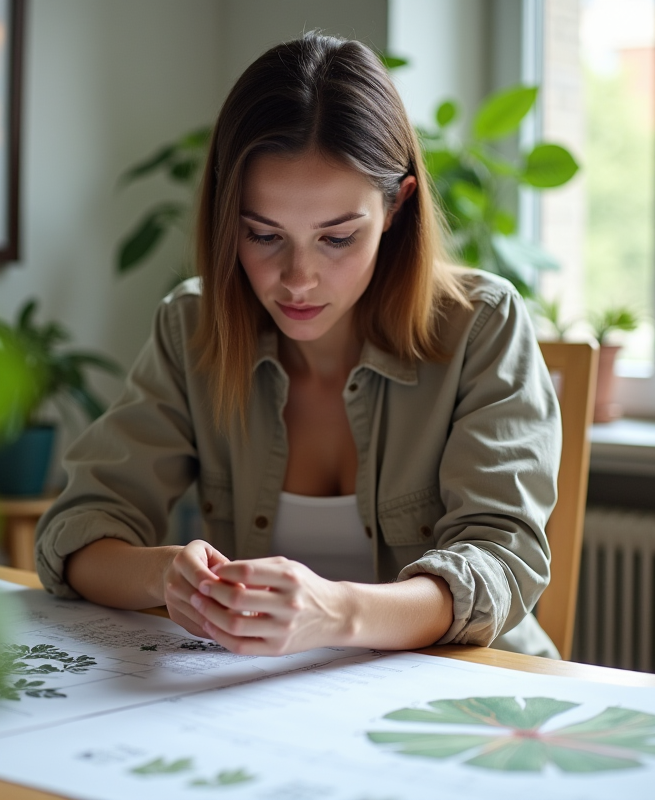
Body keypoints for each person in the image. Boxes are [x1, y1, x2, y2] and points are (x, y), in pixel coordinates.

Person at [35, 32, 561, 658]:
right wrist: (165, 575)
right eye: (263, 235)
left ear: (397, 207)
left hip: (472, 693)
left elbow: (503, 561)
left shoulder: (483, 324)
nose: (298, 279)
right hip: (270, 709)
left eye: (337, 238)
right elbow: (76, 532)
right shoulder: (192, 328)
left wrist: (338, 613)